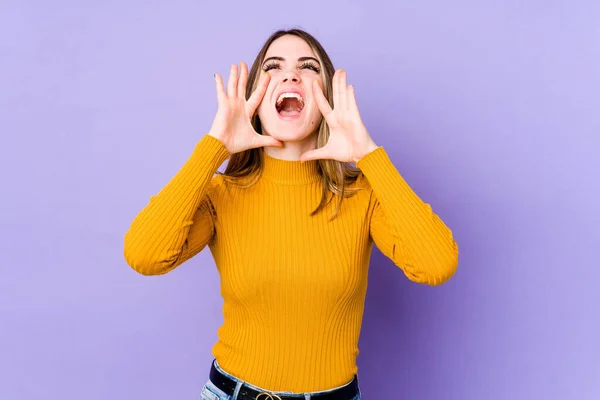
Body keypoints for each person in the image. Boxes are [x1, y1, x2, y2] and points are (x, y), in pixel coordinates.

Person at [124, 28, 458, 400]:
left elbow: (436, 264)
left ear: (327, 97)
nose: (290, 74)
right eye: (273, 66)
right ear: (255, 97)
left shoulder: (363, 197)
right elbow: (144, 256)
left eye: (308, 66)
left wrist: (368, 155)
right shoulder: (222, 196)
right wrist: (213, 148)